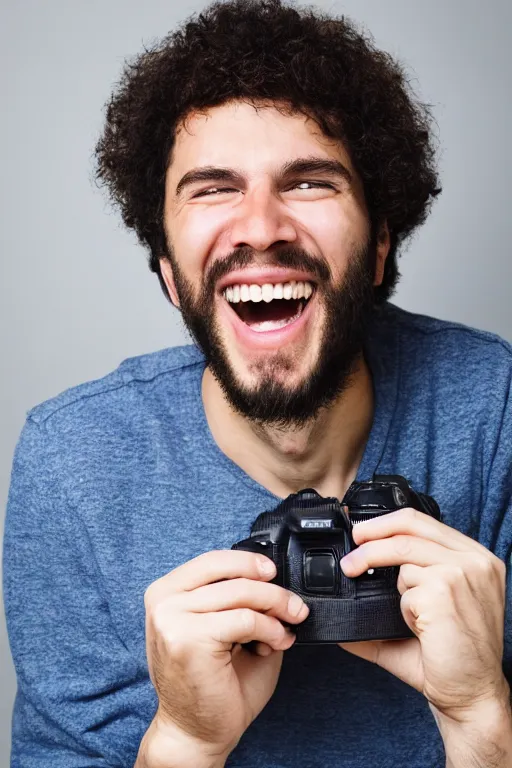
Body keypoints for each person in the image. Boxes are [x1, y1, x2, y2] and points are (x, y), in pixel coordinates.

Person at [3, 0, 512, 765]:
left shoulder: (499, 411)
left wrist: (480, 714)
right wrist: (185, 738)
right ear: (171, 274)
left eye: (309, 182)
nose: (261, 225)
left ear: (377, 249)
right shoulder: (74, 461)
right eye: (213, 189)